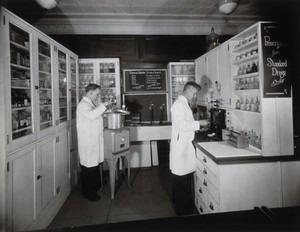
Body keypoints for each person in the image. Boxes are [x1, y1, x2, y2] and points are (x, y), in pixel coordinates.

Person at [169, 81, 209, 215]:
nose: (195, 96)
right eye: (195, 93)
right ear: (189, 90)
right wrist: (200, 123)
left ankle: (181, 207)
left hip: (184, 146)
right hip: (181, 150)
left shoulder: (183, 104)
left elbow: (186, 124)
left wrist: (195, 127)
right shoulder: (178, 105)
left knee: (182, 181)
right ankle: (182, 213)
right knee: (180, 181)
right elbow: (182, 125)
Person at [76, 83, 110, 201]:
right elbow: (91, 116)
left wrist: (103, 111)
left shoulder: (90, 104)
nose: (97, 96)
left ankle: (94, 187)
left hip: (93, 141)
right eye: (97, 94)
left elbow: (95, 118)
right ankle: (89, 193)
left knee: (93, 166)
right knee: (88, 168)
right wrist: (103, 106)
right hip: (88, 143)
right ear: (90, 93)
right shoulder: (83, 105)